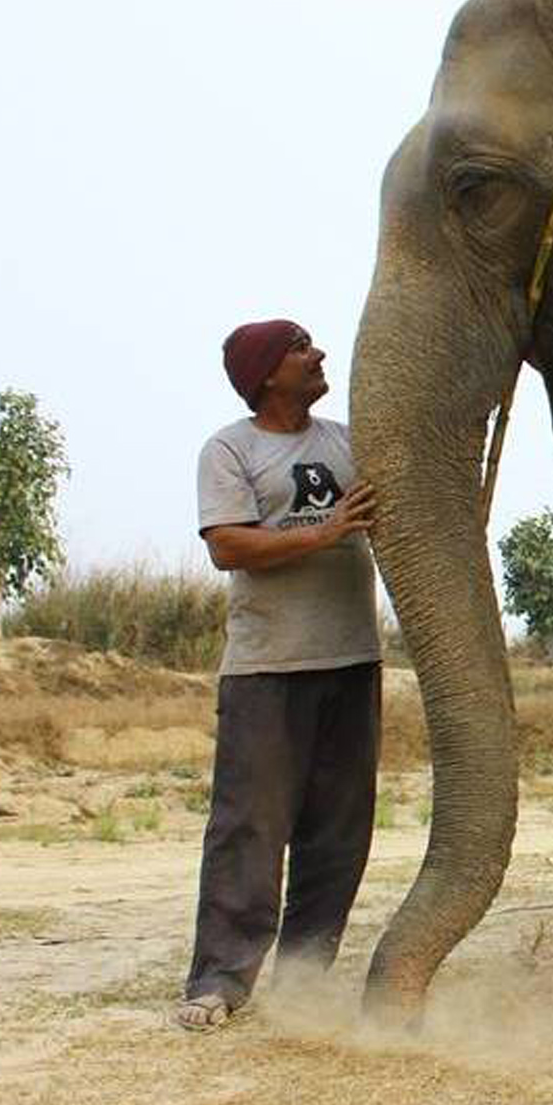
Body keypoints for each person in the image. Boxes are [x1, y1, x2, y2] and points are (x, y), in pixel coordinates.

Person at [174, 319, 382, 1031]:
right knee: (250, 829)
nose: (317, 353)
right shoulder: (232, 449)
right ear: (266, 373)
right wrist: (325, 531)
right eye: (300, 347)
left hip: (353, 661)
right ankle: (219, 980)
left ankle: (303, 976)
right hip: (268, 669)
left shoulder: (347, 441)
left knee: (339, 832)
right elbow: (227, 545)